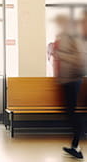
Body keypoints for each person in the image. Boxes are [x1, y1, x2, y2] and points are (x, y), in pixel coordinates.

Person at [52, 15, 86, 159]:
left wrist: (60, 54)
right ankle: (75, 145)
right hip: (65, 80)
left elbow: (80, 59)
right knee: (69, 112)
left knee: (71, 112)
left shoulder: (73, 37)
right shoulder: (64, 36)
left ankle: (77, 145)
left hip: (72, 80)